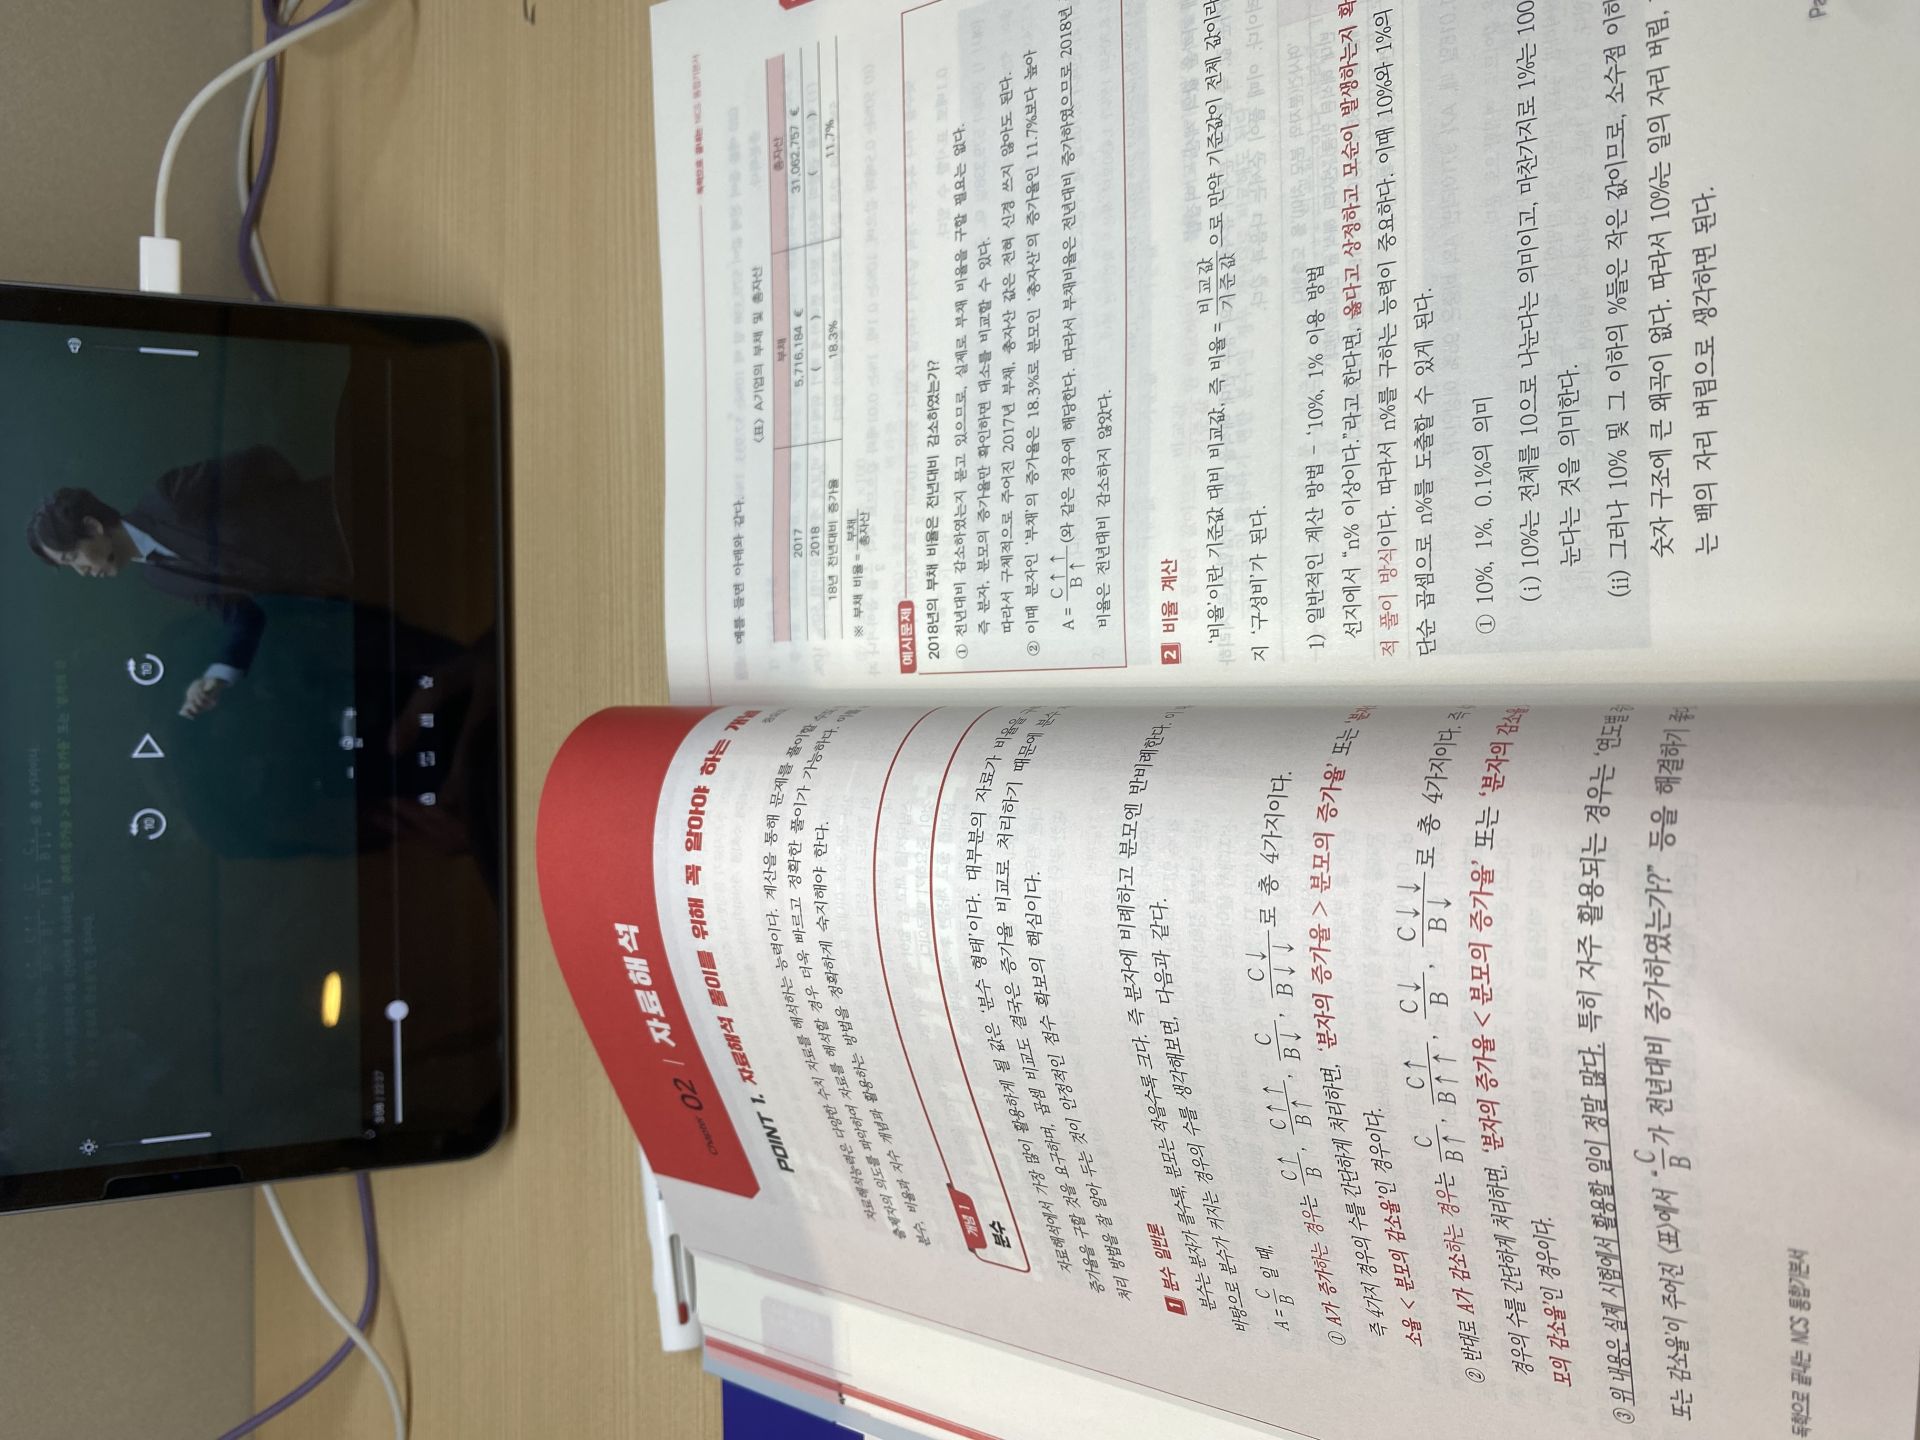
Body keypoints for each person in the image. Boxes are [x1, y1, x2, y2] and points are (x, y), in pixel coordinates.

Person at [24, 446, 351, 719]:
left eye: (73, 557)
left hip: (349, 513)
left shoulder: (169, 499)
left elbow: (262, 463)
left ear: (93, 527)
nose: (81, 571)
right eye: (69, 566)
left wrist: (297, 515)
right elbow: (245, 616)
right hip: (348, 581)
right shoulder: (160, 577)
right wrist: (217, 676)